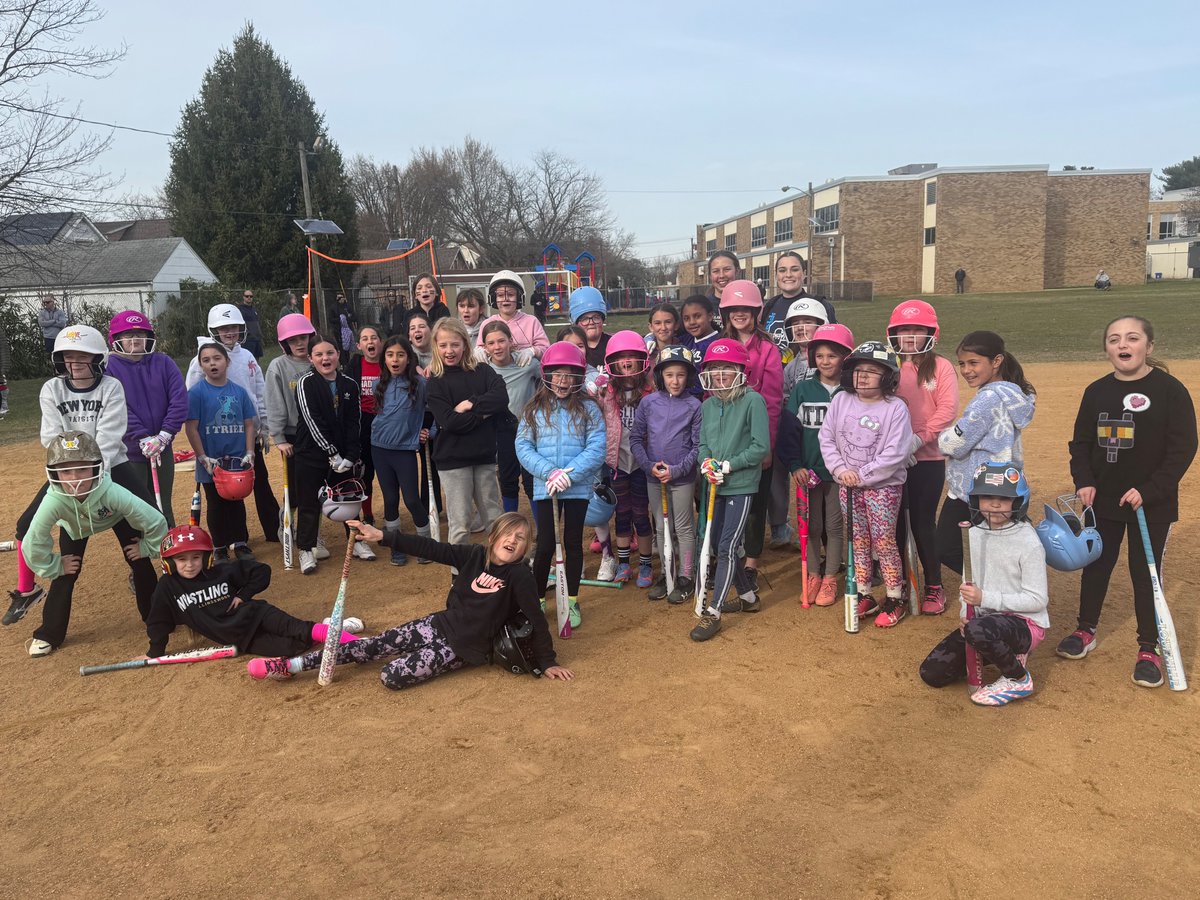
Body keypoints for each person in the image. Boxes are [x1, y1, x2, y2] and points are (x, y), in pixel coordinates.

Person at [247, 513, 573, 689]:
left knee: (391, 676)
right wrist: (384, 537)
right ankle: (290, 665)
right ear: (493, 538)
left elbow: (535, 616)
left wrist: (547, 662)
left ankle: (411, 655)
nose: (513, 541)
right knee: (371, 646)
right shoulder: (474, 555)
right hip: (439, 625)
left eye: (520, 539)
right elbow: (430, 548)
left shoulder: (520, 576)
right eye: (508, 534)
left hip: (463, 647)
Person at [1057, 316, 1197, 688]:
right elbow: (1081, 444)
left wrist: (1149, 490)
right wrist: (1084, 481)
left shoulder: (1170, 390)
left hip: (1151, 504)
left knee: (1143, 573)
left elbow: (1183, 448)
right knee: (1097, 566)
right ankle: (1085, 630)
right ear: (1107, 349)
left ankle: (1148, 648)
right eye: (1115, 339)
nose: (1123, 344)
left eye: (1133, 338)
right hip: (1103, 500)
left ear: (1148, 347)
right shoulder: (1096, 391)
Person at [4, 325, 159, 628]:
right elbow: (51, 436)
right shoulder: (52, 388)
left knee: (145, 521)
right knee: (30, 529)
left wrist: (89, 470)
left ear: (98, 358)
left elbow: (110, 436)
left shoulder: (111, 386)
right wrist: (73, 473)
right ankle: (41, 610)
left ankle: (161, 605)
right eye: (67, 357)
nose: (73, 364)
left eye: (81, 357)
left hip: (111, 466)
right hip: (68, 472)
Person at [20, 431, 166, 656]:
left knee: (139, 559)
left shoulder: (111, 490)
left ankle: (158, 618)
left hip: (115, 515)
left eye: (82, 469)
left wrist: (147, 547)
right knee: (66, 573)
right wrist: (55, 565)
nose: (74, 478)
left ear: (97, 467)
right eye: (66, 471)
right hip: (74, 525)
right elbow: (33, 541)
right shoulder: (53, 499)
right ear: (54, 473)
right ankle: (48, 633)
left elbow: (154, 519)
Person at [918, 463, 1048, 706]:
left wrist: (984, 600)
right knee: (932, 673)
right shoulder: (973, 534)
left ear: (1018, 502)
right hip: (984, 622)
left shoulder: (1028, 541)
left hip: (1024, 624)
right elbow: (968, 589)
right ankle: (995, 647)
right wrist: (966, 615)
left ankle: (1018, 678)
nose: (995, 504)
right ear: (975, 499)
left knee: (979, 630)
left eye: (1004, 498)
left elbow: (1038, 600)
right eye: (987, 497)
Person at [147, 523, 363, 657]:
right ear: (169, 563)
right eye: (181, 559)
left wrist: (242, 595)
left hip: (257, 614)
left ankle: (363, 644)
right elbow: (159, 620)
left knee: (299, 629)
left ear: (207, 558)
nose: (190, 564)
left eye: (196, 558)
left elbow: (261, 571)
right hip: (240, 639)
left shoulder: (221, 571)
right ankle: (332, 628)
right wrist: (154, 652)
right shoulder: (169, 587)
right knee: (291, 648)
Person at [819, 342, 915, 628]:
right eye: (858, 370)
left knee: (883, 541)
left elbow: (895, 452)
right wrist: (840, 469)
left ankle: (895, 596)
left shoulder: (895, 408)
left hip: (882, 487)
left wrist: (861, 475)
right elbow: (827, 438)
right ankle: (864, 593)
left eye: (871, 372)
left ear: (887, 377)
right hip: (847, 483)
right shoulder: (841, 400)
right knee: (857, 539)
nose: (862, 377)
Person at [516, 342, 606, 627]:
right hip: (546, 487)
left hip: (576, 486)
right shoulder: (534, 408)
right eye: (558, 374)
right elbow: (523, 445)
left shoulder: (590, 409)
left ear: (580, 377)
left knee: (572, 543)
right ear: (547, 374)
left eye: (570, 375)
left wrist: (570, 473)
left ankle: (573, 600)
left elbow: (597, 447)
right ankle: (538, 597)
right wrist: (549, 472)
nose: (563, 381)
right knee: (543, 546)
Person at [937, 331, 1036, 574]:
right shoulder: (1012, 394)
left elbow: (954, 444)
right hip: (1002, 483)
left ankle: (994, 583)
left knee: (946, 546)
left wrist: (944, 436)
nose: (966, 370)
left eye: (973, 363)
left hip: (977, 485)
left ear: (997, 361)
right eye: (962, 363)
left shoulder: (988, 399)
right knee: (998, 541)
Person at [690, 339, 769, 642]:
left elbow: (760, 447)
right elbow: (704, 444)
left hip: (741, 485)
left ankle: (715, 611)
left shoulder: (753, 401)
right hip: (714, 484)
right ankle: (748, 598)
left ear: (740, 370)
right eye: (714, 368)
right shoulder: (708, 405)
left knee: (726, 546)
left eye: (727, 368)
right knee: (718, 546)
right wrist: (707, 463)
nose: (720, 373)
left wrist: (729, 466)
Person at [184, 303, 280, 544]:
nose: (229, 332)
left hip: (247, 433)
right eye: (223, 328)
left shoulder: (246, 356)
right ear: (213, 330)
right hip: (215, 436)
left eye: (234, 328)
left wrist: (264, 426)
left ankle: (274, 530)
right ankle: (225, 542)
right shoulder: (201, 359)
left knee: (260, 481)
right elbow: (192, 394)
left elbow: (259, 392)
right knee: (220, 492)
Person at [887, 300, 959, 614]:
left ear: (931, 333)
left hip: (927, 459)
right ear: (894, 335)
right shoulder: (889, 367)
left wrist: (917, 440)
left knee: (922, 522)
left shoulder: (939, 366)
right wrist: (894, 449)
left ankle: (933, 585)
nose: (911, 336)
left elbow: (947, 410)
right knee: (894, 526)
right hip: (892, 459)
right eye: (905, 330)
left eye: (918, 330)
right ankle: (899, 582)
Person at [781, 323, 855, 607]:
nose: (825, 361)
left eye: (832, 356)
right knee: (811, 526)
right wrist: (795, 465)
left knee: (834, 526)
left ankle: (830, 578)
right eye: (820, 356)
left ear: (845, 358)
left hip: (839, 474)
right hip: (808, 472)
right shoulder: (803, 390)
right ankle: (813, 574)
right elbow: (790, 433)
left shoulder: (850, 392)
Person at [718, 280, 783, 586]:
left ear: (757, 311)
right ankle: (730, 551)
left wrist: (767, 445)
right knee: (728, 496)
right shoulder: (719, 345)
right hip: (726, 438)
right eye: (734, 309)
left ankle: (751, 561)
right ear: (726, 312)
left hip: (756, 437)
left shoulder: (768, 350)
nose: (739, 314)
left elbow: (772, 401)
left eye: (746, 308)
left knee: (756, 503)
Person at [424, 318, 507, 551]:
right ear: (436, 347)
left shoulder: (482, 371)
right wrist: (484, 415)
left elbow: (501, 397)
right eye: (443, 345)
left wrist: (472, 403)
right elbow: (449, 422)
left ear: (465, 345)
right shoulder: (435, 383)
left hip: (483, 456)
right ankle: (458, 576)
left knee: (495, 518)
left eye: (455, 344)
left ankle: (505, 570)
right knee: (460, 524)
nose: (449, 351)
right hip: (453, 461)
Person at [630, 346, 702, 603]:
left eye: (680, 375)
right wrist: (648, 465)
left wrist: (677, 470)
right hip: (653, 476)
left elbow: (697, 446)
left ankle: (686, 577)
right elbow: (636, 438)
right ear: (660, 376)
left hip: (681, 478)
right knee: (661, 527)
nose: (675, 381)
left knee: (683, 526)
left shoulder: (694, 405)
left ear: (688, 377)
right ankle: (666, 572)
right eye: (669, 375)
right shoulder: (648, 403)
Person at [105, 310, 188, 529]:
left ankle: (170, 552)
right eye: (127, 335)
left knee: (163, 504)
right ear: (116, 339)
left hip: (162, 447)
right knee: (135, 505)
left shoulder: (163, 362)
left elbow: (179, 399)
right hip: (129, 453)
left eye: (141, 334)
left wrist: (164, 436)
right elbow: (117, 408)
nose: (135, 340)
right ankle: (140, 556)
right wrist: (141, 437)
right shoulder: (109, 368)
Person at [294, 335, 362, 574]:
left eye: (330, 353)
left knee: (348, 497)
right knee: (309, 501)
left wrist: (351, 455)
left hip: (344, 456)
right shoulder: (305, 383)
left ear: (338, 355)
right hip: (311, 453)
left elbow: (355, 422)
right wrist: (331, 453)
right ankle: (306, 549)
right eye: (320, 354)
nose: (326, 358)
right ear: (311, 358)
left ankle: (357, 541)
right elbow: (313, 421)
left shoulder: (350, 384)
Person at [184, 342, 257, 561]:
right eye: (206, 360)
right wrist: (202, 456)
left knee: (237, 500)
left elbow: (249, 424)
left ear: (227, 361)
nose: (212, 363)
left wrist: (250, 452)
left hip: (236, 460)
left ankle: (240, 542)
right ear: (200, 365)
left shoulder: (239, 391)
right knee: (215, 503)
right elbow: (191, 428)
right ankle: (220, 546)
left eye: (217, 358)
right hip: (211, 460)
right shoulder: (196, 393)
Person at [594, 331, 656, 584]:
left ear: (643, 360)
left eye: (632, 357)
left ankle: (645, 565)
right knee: (622, 514)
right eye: (621, 358)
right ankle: (622, 564)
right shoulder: (606, 392)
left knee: (641, 514)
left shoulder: (651, 391)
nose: (627, 362)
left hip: (642, 463)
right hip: (617, 463)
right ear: (612, 363)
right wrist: (594, 389)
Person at [371, 335, 432, 566]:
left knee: (412, 500)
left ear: (408, 358)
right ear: (384, 358)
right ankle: (396, 546)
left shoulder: (420, 383)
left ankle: (424, 545)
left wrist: (428, 431)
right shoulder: (380, 384)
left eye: (400, 354)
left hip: (405, 450)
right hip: (379, 448)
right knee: (390, 499)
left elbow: (434, 411)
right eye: (389, 355)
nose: (395, 359)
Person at [264, 312, 317, 542]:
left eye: (303, 338)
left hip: (317, 435)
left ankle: (312, 533)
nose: (299, 343)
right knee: (294, 490)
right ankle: (287, 525)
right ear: (284, 343)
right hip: (292, 437)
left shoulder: (318, 359)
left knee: (314, 488)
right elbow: (274, 403)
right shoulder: (278, 366)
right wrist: (278, 437)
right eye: (293, 340)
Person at [483, 321, 539, 513]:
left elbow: (548, 380)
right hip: (502, 431)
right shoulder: (484, 371)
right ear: (484, 347)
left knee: (532, 480)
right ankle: (510, 526)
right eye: (491, 343)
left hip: (529, 431)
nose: (497, 347)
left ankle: (542, 532)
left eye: (501, 341)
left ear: (511, 342)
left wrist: (533, 351)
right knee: (507, 479)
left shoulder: (527, 364)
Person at [345, 326, 384, 533]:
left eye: (374, 338)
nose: (370, 342)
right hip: (363, 424)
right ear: (359, 345)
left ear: (380, 342)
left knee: (386, 472)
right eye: (365, 339)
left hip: (385, 423)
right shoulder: (355, 364)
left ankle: (392, 513)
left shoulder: (389, 363)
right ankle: (367, 513)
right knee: (365, 473)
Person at [762, 251, 836, 354]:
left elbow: (834, 345)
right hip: (773, 369)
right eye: (782, 270)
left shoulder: (819, 304)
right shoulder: (770, 305)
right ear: (776, 275)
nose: (788, 275)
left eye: (795, 269)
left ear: (804, 274)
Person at [476, 270, 548, 360]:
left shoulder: (531, 321)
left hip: (526, 371)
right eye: (500, 295)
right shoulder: (487, 323)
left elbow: (545, 349)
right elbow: (481, 347)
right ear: (494, 298)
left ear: (519, 297)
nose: (506, 299)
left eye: (510, 294)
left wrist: (532, 351)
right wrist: (479, 351)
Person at [567, 286, 612, 369]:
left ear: (602, 320)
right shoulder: (571, 349)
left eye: (596, 317)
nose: (591, 322)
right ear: (576, 323)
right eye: (585, 319)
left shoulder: (612, 344)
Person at [678, 294, 721, 365]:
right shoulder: (685, 340)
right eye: (686, 318)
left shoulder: (719, 343)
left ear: (710, 316)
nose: (692, 322)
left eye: (697, 316)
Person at [236, 290, 264, 358]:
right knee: (249, 358)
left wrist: (260, 335)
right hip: (248, 339)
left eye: (251, 296)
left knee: (257, 357)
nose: (249, 298)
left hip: (257, 338)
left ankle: (257, 369)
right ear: (243, 297)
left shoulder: (253, 309)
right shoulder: (240, 309)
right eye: (247, 296)